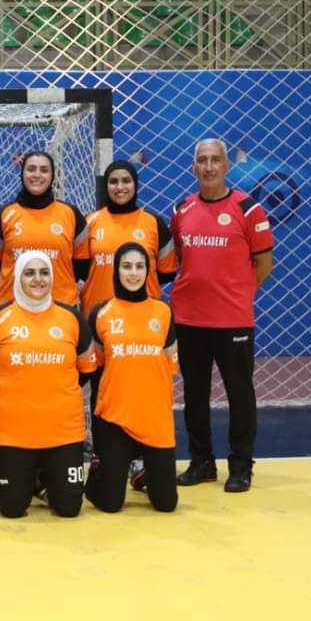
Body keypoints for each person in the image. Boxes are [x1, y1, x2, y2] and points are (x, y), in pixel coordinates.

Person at [171, 138, 273, 493]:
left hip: (233, 321)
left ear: (227, 166)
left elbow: (264, 264)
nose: (209, 166)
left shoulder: (248, 209)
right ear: (193, 167)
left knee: (239, 394)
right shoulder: (181, 209)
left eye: (216, 160)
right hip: (189, 320)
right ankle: (202, 463)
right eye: (202, 160)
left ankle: (241, 466)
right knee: (194, 395)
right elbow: (182, 259)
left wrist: (237, 295)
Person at [0, 251, 96, 518]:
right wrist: (5, 395)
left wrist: (59, 390)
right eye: (29, 273)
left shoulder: (72, 319)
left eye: (43, 272)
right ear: (18, 277)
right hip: (13, 431)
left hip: (63, 430)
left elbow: (86, 370)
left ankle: (42, 478)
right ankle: (27, 481)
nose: (37, 279)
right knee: (12, 508)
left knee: (69, 508)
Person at [81, 159, 176, 488]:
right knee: (101, 393)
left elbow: (166, 272)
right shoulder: (91, 222)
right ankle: (104, 457)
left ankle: (141, 458)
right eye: (113, 181)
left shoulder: (153, 224)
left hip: (142, 325)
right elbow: (79, 268)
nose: (119, 187)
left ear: (135, 185)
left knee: (143, 392)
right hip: (101, 326)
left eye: (126, 181)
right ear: (105, 186)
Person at [85, 243, 179, 513]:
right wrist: (100, 423)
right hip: (115, 418)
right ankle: (100, 470)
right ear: (116, 270)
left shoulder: (163, 312)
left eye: (140, 266)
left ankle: (147, 473)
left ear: (148, 271)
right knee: (110, 504)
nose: (133, 273)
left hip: (154, 417)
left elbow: (168, 368)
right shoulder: (101, 313)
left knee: (166, 504)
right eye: (127, 266)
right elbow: (97, 371)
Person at [0, 151, 89, 307]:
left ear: (53, 176)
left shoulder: (71, 214)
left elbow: (82, 267)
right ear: (22, 173)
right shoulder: (2, 215)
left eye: (44, 170)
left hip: (61, 307)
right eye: (31, 169)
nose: (37, 175)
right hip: (12, 307)